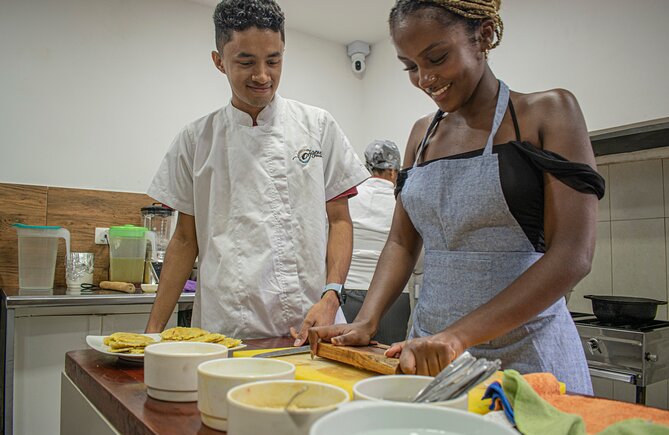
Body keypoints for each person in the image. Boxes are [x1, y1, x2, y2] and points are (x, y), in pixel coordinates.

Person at [308, 0, 605, 395]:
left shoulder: (547, 114)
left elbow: (572, 254)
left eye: (436, 57)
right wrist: (367, 319)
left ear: (483, 36)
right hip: (428, 355)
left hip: (527, 359)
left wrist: (457, 337)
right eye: (410, 66)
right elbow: (401, 241)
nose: (425, 78)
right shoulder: (421, 135)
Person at [145, 0, 369, 340]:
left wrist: (332, 293)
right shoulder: (195, 140)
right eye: (246, 62)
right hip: (225, 329)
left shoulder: (317, 127)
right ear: (219, 62)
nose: (263, 76)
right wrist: (152, 333)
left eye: (274, 60)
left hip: (308, 326)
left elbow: (340, 220)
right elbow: (184, 239)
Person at [342, 140, 411, 345]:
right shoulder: (401, 201)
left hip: (348, 290)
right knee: (387, 359)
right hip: (393, 296)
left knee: (344, 359)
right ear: (393, 171)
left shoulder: (350, 197)